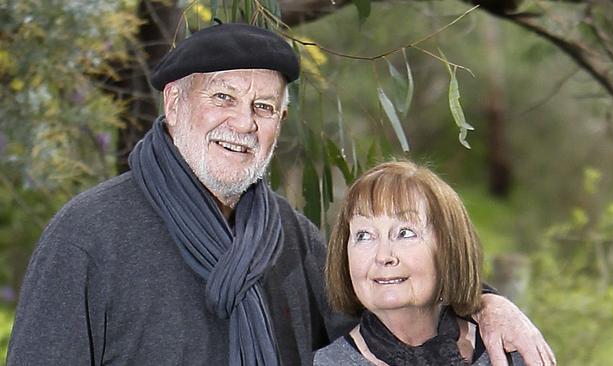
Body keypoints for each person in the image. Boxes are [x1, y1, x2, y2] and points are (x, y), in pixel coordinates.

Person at [7, 23, 554, 366]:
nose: (243, 123)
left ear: (281, 121)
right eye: (222, 96)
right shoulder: (88, 235)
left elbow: (386, 290)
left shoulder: (287, 234)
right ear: (173, 104)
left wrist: (484, 302)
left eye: (263, 107)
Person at [315, 160, 526, 365]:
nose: (383, 255)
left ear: (448, 248)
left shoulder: (506, 348)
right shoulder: (328, 362)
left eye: (405, 233)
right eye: (364, 235)